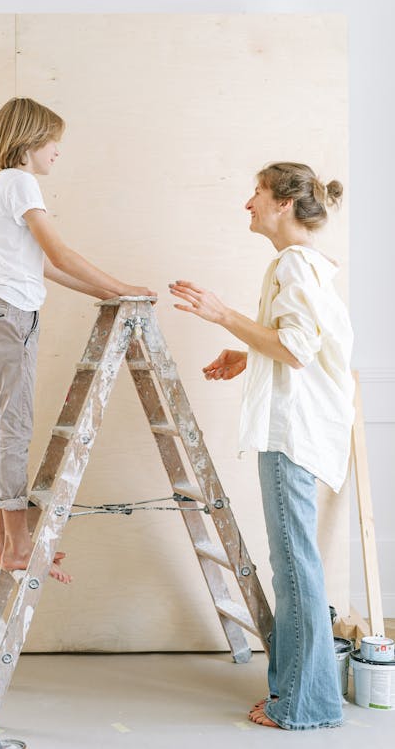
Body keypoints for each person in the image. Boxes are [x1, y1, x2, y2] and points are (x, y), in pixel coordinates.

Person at [169, 161, 354, 730]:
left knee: (295, 570)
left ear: (283, 204)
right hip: (304, 431)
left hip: (292, 436)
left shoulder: (293, 265)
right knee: (298, 567)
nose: (247, 204)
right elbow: (313, 351)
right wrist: (249, 357)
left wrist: (223, 315)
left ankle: (305, 705)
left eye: (256, 194)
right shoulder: (311, 266)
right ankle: (303, 695)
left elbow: (298, 349)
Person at [0, 97, 155, 583]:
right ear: (30, 143)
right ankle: (18, 541)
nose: (58, 151)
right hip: (9, 316)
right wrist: (125, 287)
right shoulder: (22, 182)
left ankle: (5, 542)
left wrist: (108, 293)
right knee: (14, 429)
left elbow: (45, 266)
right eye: (54, 142)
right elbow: (60, 252)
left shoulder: (4, 187)